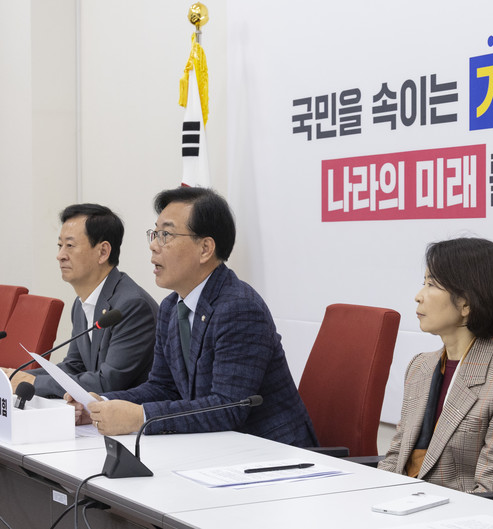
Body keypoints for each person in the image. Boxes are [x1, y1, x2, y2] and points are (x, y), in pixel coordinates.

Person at [68, 187, 317, 447]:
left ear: (205, 248)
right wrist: (101, 404)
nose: (153, 245)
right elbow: (163, 387)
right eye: (155, 233)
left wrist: (141, 417)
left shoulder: (239, 308)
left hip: (273, 451)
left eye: (166, 235)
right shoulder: (170, 307)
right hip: (215, 448)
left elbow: (229, 407)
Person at [379, 237, 493, 493]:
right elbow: (395, 458)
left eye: (432, 284)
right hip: (393, 502)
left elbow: (492, 489)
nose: (418, 296)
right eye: (423, 283)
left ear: (466, 303)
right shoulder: (420, 366)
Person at [2, 204, 157, 397]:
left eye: (70, 246)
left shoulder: (132, 306)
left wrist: (33, 382)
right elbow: (74, 366)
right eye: (60, 246)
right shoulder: (81, 303)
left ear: (103, 252)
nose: (60, 256)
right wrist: (13, 377)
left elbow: (108, 382)